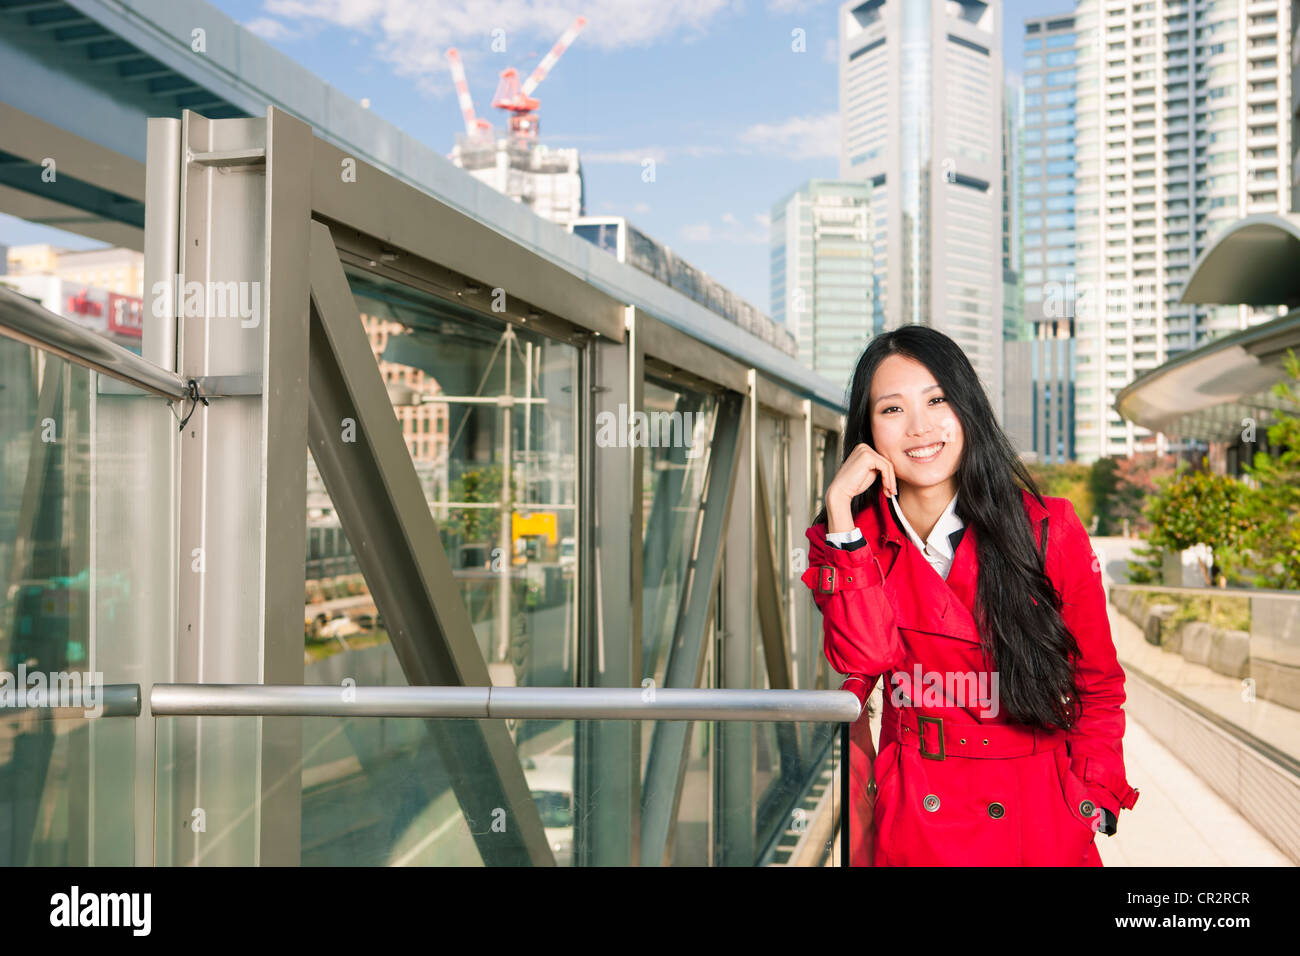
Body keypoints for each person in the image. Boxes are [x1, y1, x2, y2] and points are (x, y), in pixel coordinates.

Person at [802, 326, 1139, 866]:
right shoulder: (850, 543)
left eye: (937, 400)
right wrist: (841, 515)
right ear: (867, 431)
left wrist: (1092, 799)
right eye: (892, 410)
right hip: (917, 814)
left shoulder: (1047, 529)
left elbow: (1097, 685)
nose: (920, 427)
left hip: (1039, 816)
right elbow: (863, 659)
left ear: (967, 409)